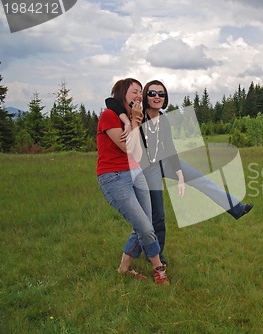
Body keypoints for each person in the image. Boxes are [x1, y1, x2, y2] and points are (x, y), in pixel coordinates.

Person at [106, 79, 253, 264]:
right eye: (151, 93)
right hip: (148, 169)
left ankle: (236, 208)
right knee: (157, 216)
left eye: (161, 93)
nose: (157, 97)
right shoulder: (139, 114)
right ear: (145, 97)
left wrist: (180, 174)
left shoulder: (164, 119)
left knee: (202, 180)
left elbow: (169, 148)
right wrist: (127, 120)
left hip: (166, 161)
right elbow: (110, 102)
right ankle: (156, 255)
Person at [97, 78, 169, 285]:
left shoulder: (129, 115)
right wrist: (134, 123)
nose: (139, 95)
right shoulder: (109, 116)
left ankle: (124, 267)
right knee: (145, 227)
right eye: (134, 91)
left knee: (144, 223)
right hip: (113, 176)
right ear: (122, 94)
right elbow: (126, 148)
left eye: (140, 92)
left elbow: (137, 151)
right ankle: (159, 268)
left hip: (136, 173)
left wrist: (133, 121)